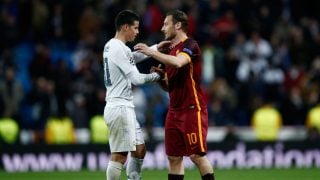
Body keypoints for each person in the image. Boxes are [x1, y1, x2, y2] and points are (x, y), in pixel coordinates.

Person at [135, 10, 215, 180]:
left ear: (178, 25)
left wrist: (151, 52)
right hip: (174, 111)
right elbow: (169, 87)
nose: (163, 28)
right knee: (174, 158)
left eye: (166, 24)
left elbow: (179, 63)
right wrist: (161, 79)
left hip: (192, 109)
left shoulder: (190, 45)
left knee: (196, 156)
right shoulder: (170, 52)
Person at [103, 10, 164, 180]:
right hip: (120, 107)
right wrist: (158, 76)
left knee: (139, 149)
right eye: (135, 28)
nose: (138, 32)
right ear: (125, 27)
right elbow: (136, 79)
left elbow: (131, 57)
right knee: (120, 156)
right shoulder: (118, 47)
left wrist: (157, 48)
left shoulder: (112, 45)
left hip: (121, 107)